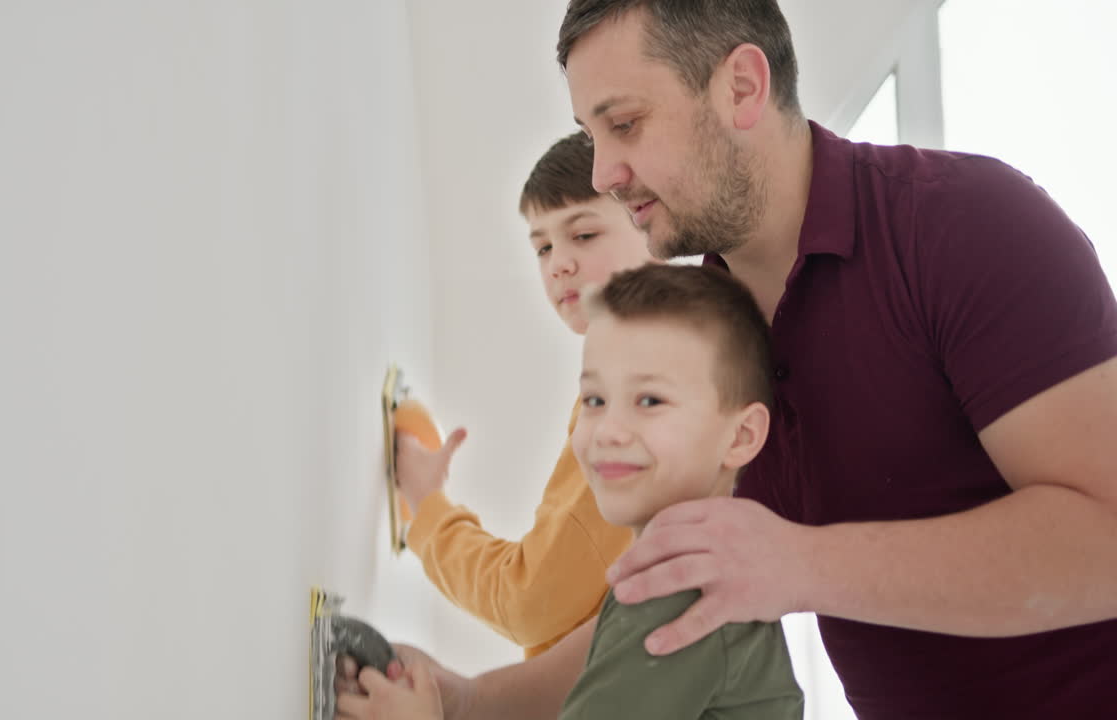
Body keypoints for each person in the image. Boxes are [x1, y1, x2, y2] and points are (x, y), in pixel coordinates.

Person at [340, 1, 1117, 718]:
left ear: (742, 87)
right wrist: (465, 699)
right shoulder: (706, 336)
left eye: (627, 124)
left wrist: (802, 561)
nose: (606, 171)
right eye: (592, 137)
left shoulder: (969, 226)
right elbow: (673, 600)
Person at [343, 263, 805, 720]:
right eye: (594, 400)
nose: (608, 430)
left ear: (741, 436)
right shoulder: (661, 574)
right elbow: (542, 690)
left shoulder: (680, 603)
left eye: (650, 400)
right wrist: (457, 699)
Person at [393, 131, 651, 658]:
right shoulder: (647, 374)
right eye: (543, 246)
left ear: (650, 223)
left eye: (582, 234)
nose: (558, 263)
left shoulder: (635, 390)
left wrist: (428, 509)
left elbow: (529, 602)